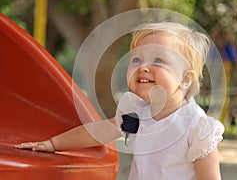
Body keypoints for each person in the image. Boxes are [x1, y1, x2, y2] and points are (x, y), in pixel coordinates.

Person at [15, 22, 225, 180]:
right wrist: (53, 144)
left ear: (186, 78)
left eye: (159, 60)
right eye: (136, 59)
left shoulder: (197, 129)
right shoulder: (137, 112)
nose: (144, 66)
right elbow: (97, 132)